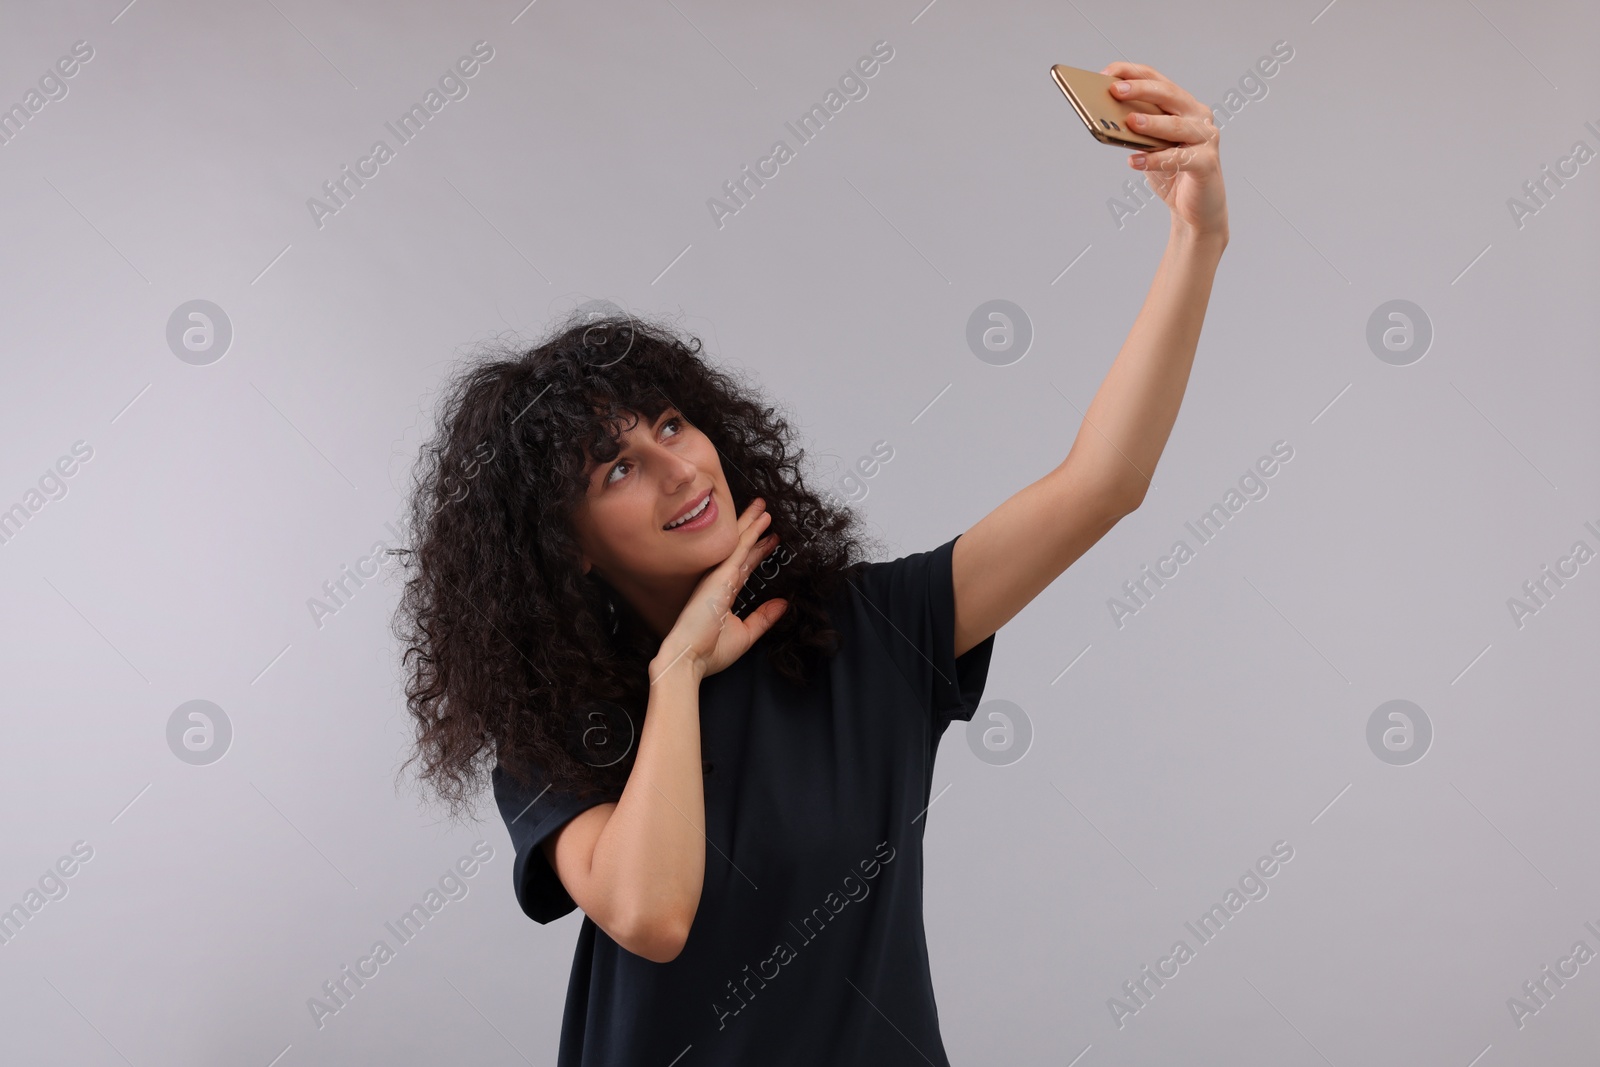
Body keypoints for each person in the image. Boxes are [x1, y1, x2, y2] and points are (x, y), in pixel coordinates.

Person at [391, 60, 1227, 1067]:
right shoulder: (558, 732)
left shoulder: (874, 630)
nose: (676, 465)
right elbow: (652, 913)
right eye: (617, 465)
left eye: (670, 422)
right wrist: (675, 675)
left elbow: (1104, 481)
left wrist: (1197, 237)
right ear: (563, 541)